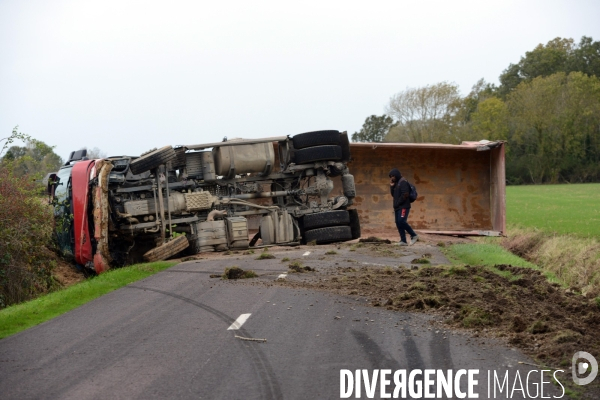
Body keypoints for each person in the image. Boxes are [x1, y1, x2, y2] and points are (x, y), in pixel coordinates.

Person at [389, 168, 418, 246]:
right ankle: (403, 241)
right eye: (391, 176)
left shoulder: (403, 182)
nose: (392, 178)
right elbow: (393, 195)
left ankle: (414, 235)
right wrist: (392, 187)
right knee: (398, 223)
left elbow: (405, 194)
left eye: (393, 176)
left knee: (402, 221)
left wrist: (398, 203)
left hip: (404, 206)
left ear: (397, 175)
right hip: (397, 207)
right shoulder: (396, 183)